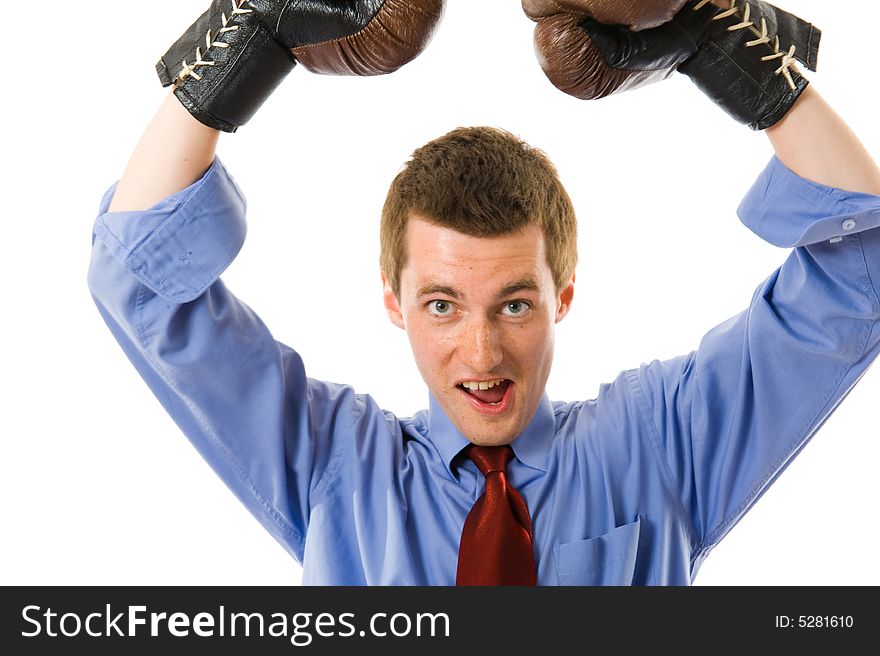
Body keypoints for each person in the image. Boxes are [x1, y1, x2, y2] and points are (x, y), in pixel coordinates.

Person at [88, 0, 880, 585]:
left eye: (514, 303)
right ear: (393, 302)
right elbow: (134, 277)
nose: (482, 353)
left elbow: (863, 264)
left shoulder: (659, 446)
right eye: (441, 304)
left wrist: (719, 37)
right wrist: (251, 34)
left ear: (562, 295)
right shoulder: (337, 465)